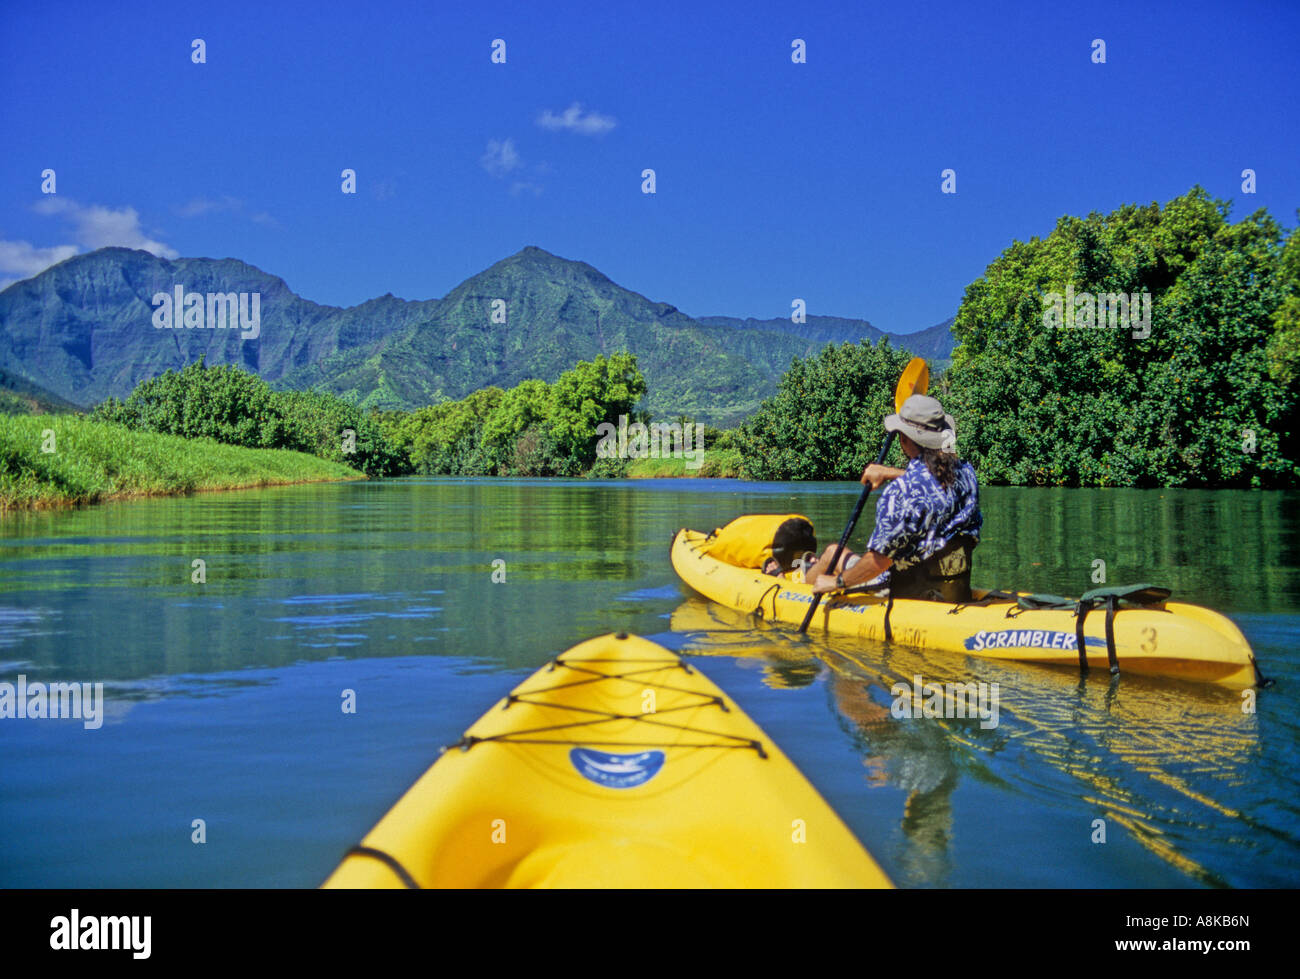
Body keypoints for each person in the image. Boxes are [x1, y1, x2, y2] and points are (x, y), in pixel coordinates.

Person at [806, 393, 982, 602]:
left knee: (832, 553)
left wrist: (837, 582)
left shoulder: (902, 491)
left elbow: (878, 562)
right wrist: (888, 472)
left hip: (903, 590)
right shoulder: (967, 474)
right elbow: (932, 482)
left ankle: (794, 586)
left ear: (904, 438)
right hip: (952, 589)